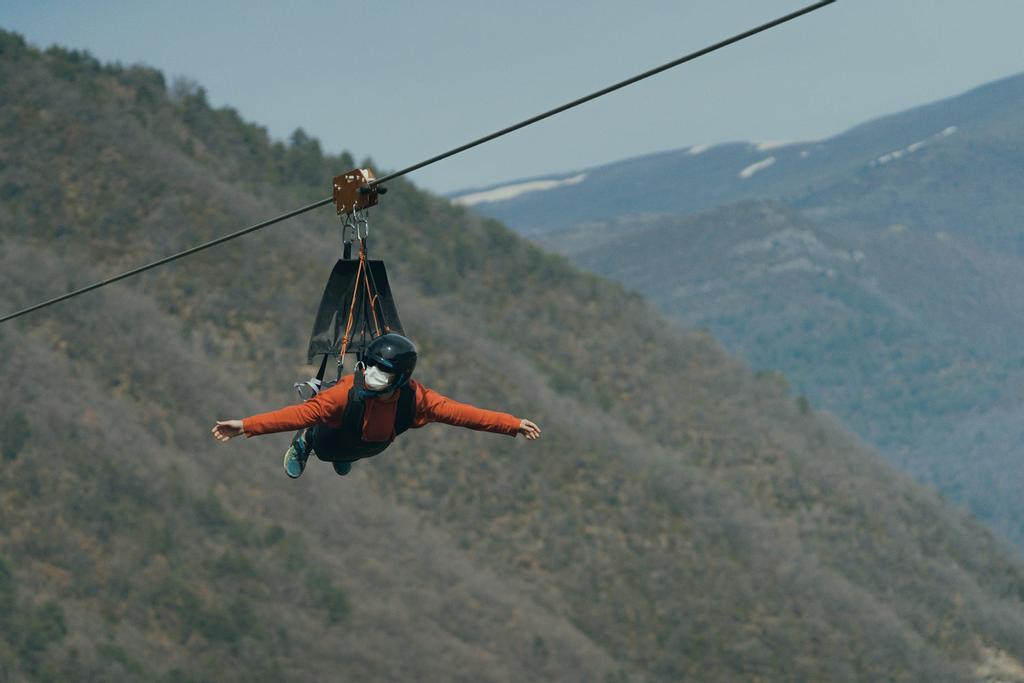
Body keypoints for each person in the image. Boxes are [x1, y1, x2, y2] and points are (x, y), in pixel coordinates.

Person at [211, 333, 541, 478]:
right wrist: (246, 425)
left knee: (354, 450)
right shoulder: (344, 393)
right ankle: (305, 443)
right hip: (332, 437)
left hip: (370, 444)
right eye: (369, 366)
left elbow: (464, 414)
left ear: (400, 378)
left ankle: (346, 455)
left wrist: (510, 424)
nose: (372, 376)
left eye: (382, 372)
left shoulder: (417, 399)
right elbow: (298, 414)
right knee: (326, 445)